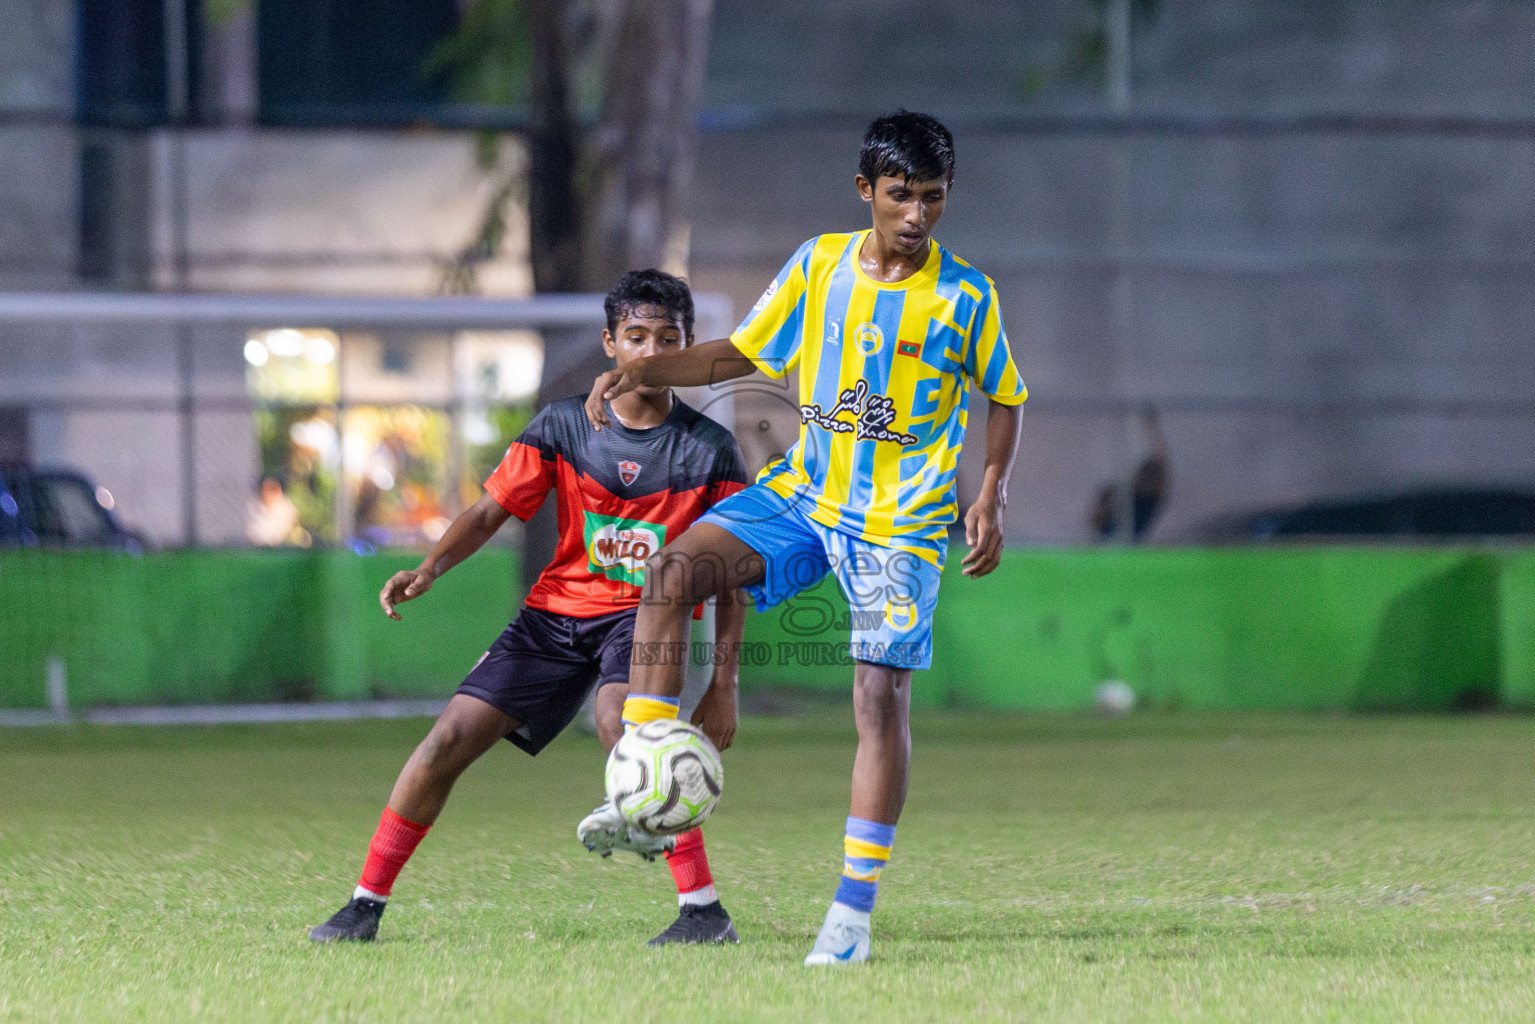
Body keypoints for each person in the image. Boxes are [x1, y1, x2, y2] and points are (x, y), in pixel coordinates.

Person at [583, 111, 1026, 965]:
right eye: (901, 196)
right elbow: (738, 356)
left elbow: (1003, 393)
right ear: (865, 191)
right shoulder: (818, 265)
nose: (917, 216)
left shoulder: (964, 295)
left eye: (933, 198)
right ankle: (640, 788)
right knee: (673, 571)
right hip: (805, 495)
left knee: (876, 698)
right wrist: (646, 369)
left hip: (900, 521)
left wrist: (992, 494)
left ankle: (851, 916)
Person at [309, 269, 750, 946]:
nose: (651, 351)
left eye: (669, 339)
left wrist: (723, 686)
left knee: (623, 724)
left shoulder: (709, 449)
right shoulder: (564, 424)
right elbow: (490, 511)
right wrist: (429, 568)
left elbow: (728, 578)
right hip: (554, 615)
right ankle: (363, 904)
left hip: (642, 619)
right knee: (446, 740)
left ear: (687, 348)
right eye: (636, 336)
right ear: (610, 342)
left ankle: (701, 910)